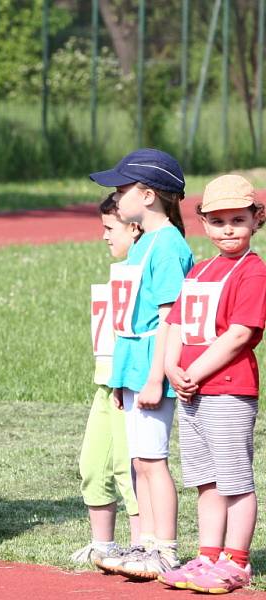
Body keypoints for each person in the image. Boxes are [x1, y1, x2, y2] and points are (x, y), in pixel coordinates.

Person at [88, 148, 194, 579]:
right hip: (132, 367)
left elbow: (171, 316)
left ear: (148, 195)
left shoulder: (167, 244)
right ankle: (145, 544)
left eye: (122, 188)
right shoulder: (143, 243)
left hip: (152, 366)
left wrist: (155, 377)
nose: (117, 195)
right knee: (138, 460)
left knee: (152, 460)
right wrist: (120, 379)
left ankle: (164, 549)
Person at [160, 174, 266, 594]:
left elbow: (240, 332)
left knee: (234, 478)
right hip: (192, 390)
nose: (227, 229)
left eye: (238, 219)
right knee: (206, 479)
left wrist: (195, 371)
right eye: (218, 220)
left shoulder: (253, 272)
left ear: (257, 220)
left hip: (227, 388)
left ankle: (236, 561)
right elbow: (175, 325)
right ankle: (208, 555)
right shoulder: (200, 270)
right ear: (203, 223)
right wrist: (171, 368)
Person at [70, 194, 141, 568]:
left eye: (109, 229)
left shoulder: (147, 268)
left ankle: (144, 546)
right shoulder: (121, 271)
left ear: (134, 227)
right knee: (93, 463)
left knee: (129, 467)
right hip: (106, 382)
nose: (104, 237)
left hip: (129, 383)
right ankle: (104, 545)